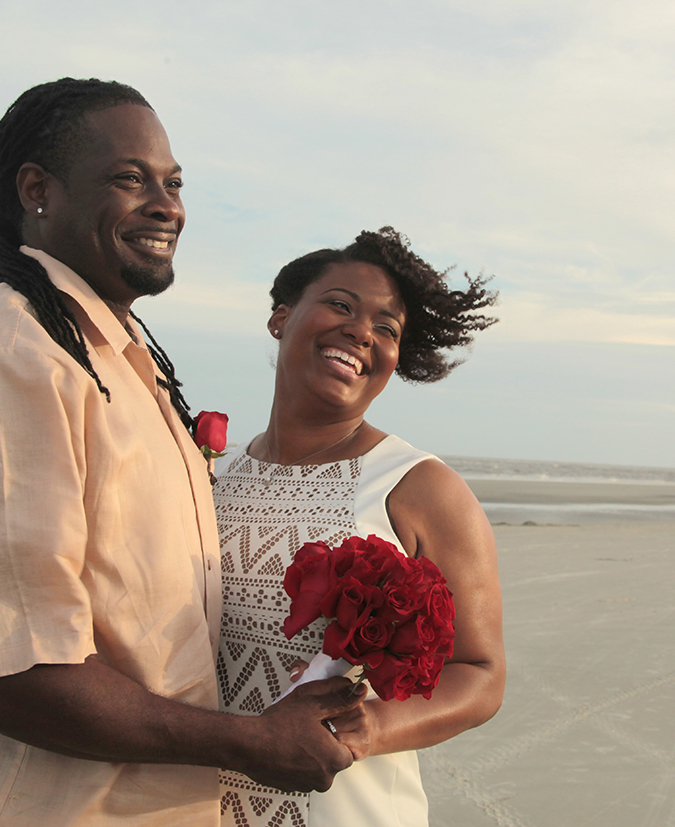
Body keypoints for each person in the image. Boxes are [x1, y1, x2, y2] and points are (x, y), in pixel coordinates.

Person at [0, 78, 364, 827]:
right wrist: (249, 743)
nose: (167, 205)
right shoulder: (7, 358)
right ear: (38, 190)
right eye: (131, 179)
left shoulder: (126, 364)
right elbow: (8, 671)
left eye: (174, 182)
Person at [214, 227, 506, 826]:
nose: (361, 332)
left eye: (387, 328)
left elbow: (480, 673)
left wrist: (368, 727)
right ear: (281, 316)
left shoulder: (420, 489)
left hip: (341, 806)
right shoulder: (215, 478)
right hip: (199, 802)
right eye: (341, 305)